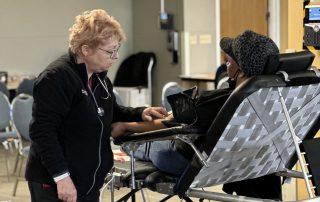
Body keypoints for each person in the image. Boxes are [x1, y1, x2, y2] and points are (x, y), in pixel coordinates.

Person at [111, 30, 282, 200]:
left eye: (229, 62)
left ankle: (127, 141)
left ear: (242, 71)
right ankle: (170, 110)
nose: (225, 64)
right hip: (237, 163)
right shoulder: (275, 100)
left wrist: (126, 126)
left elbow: (168, 126)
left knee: (145, 140)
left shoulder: (221, 101)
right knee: (181, 114)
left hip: (186, 160)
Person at [26, 9, 167, 202]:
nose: (115, 57)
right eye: (110, 51)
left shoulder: (99, 77)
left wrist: (141, 113)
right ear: (86, 49)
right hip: (56, 182)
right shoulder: (56, 78)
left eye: (117, 50)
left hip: (88, 181)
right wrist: (62, 177)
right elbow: (42, 132)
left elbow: (111, 112)